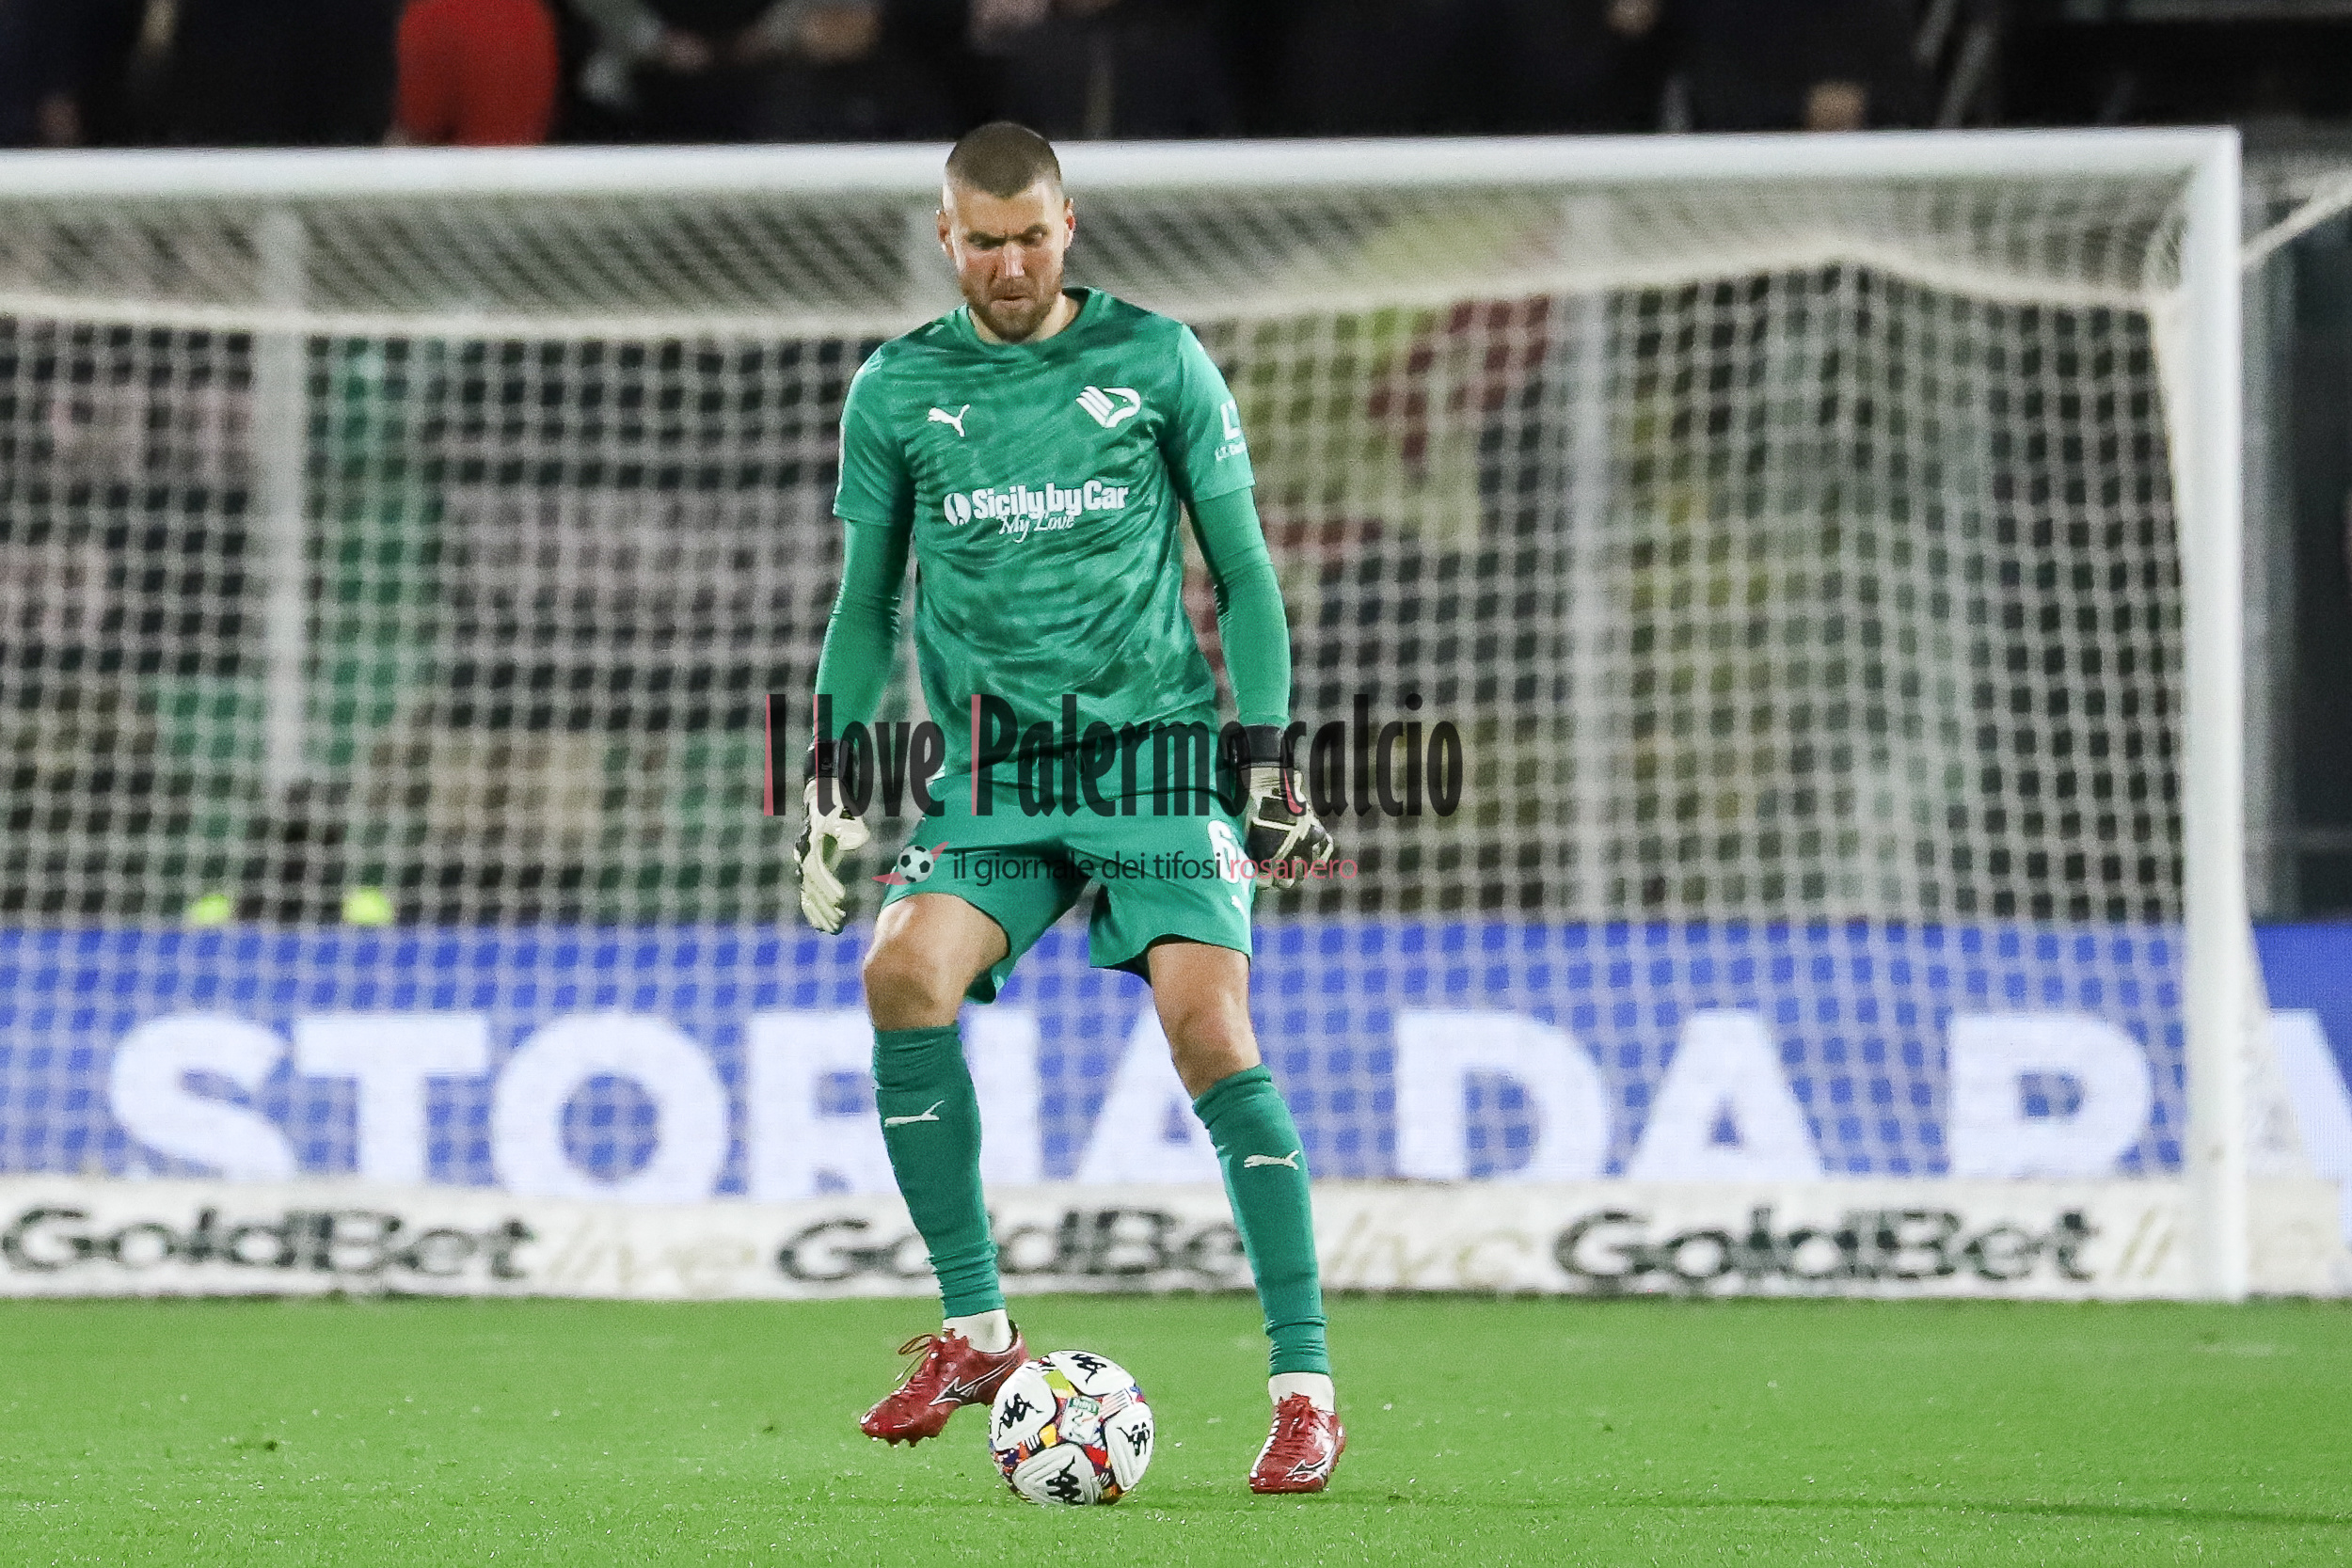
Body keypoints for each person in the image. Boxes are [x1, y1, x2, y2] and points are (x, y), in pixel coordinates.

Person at [794, 121, 1345, 1495]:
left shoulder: (1157, 360)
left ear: (1068, 225)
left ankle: (1304, 1391)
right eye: (984, 241)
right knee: (901, 973)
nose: (1010, 265)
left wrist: (1265, 759)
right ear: (946, 237)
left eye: (1031, 237)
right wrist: (831, 774)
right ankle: (979, 1334)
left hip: (1155, 756)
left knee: (1209, 1028)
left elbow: (1246, 572)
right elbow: (868, 606)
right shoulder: (898, 388)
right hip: (998, 774)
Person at [393, 0, 561, 146]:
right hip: (528, 163)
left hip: (455, 166)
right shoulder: (533, 14)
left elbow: (419, 127)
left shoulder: (433, 18)